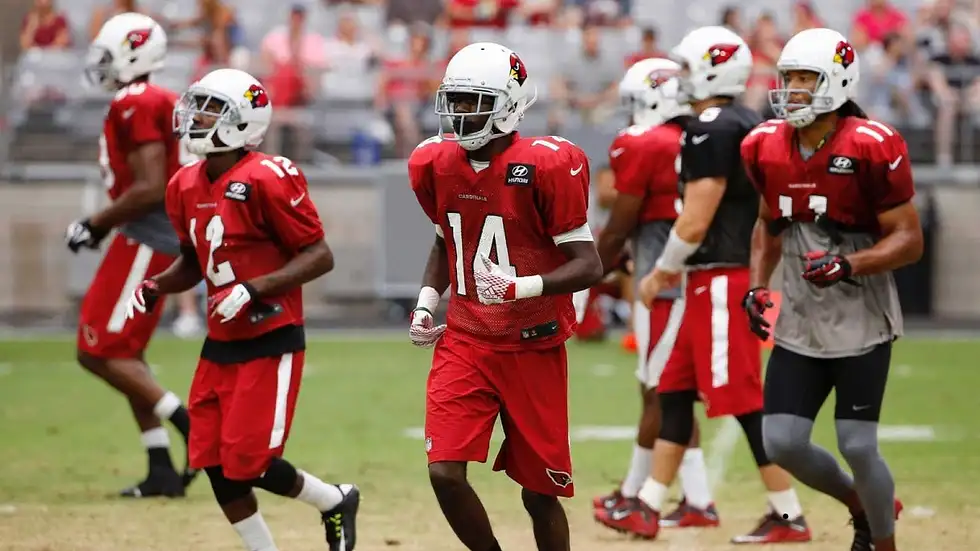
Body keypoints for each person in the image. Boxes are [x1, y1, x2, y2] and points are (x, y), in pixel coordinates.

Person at [124, 68, 359, 551]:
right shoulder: (183, 184)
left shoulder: (268, 176)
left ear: (242, 121)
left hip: (271, 336)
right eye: (196, 108)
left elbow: (319, 255)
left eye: (210, 110)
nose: (195, 118)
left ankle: (334, 499)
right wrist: (158, 285)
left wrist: (254, 289)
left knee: (249, 463)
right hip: (220, 342)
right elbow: (195, 261)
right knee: (213, 462)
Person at [600, 26, 812, 543]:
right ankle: (649, 504)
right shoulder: (749, 121)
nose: (680, 78)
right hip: (714, 276)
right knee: (673, 393)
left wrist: (661, 271)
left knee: (743, 402)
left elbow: (695, 220)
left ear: (714, 71)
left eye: (688, 67)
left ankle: (788, 514)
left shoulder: (712, 127)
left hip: (718, 275)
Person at [408, 42, 603, 551]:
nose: (459, 113)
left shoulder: (546, 165)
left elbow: (589, 265)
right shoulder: (434, 162)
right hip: (466, 339)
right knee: (444, 471)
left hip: (532, 344)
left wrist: (523, 286)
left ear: (508, 105)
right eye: (455, 100)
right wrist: (427, 301)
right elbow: (446, 240)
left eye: (474, 102)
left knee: (539, 493)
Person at [742, 27, 918, 551]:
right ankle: (861, 503)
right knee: (782, 441)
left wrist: (848, 264)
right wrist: (757, 286)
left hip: (861, 313)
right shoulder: (764, 145)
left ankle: (881, 542)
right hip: (800, 314)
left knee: (858, 445)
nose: (793, 89)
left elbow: (909, 240)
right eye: (789, 77)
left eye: (806, 78)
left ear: (837, 82)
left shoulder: (871, 144)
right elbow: (767, 223)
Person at [66, 12, 195, 498]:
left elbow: (150, 185)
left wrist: (95, 223)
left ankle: (191, 428)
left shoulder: (135, 100)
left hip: (148, 236)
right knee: (125, 354)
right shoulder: (150, 98)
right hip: (151, 233)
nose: (101, 64)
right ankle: (160, 467)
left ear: (133, 53)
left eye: (108, 54)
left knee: (96, 349)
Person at [591, 57, 719, 530]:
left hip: (664, 288)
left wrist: (583, 275)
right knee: (671, 393)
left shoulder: (646, 142)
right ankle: (695, 498)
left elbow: (619, 224)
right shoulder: (696, 137)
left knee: (659, 393)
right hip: (687, 279)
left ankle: (636, 494)